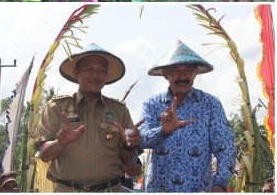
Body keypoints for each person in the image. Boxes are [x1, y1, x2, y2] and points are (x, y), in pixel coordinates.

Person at [33, 43, 142, 192]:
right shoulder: (56, 107)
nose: (96, 75)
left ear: (107, 75)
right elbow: (45, 155)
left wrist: (129, 146)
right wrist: (61, 142)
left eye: (102, 70)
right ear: (76, 72)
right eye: (89, 69)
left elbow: (130, 162)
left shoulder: (120, 111)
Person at [139, 40, 236, 192]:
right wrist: (163, 131)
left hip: (199, 189)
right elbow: (141, 140)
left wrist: (220, 184)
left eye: (188, 70)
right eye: (176, 71)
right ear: (165, 74)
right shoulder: (152, 104)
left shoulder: (210, 104)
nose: (182, 76)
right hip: (158, 189)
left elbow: (226, 147)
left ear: (196, 72)